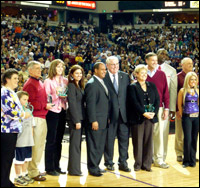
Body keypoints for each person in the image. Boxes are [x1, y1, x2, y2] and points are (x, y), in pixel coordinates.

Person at [23, 61, 54, 181]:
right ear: (30, 70)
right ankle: (33, 172)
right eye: (36, 68)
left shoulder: (37, 81)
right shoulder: (30, 83)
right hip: (36, 117)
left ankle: (34, 169)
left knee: (39, 145)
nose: (39, 70)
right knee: (36, 146)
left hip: (41, 116)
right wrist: (44, 105)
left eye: (40, 68)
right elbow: (29, 102)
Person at [1, 68, 31, 187]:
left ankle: (5, 180)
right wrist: (24, 115)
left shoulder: (12, 92)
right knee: (5, 157)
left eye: (17, 79)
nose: (17, 81)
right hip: (5, 130)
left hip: (12, 129)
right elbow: (10, 112)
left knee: (8, 157)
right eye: (14, 78)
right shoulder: (4, 92)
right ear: (7, 79)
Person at [127, 65, 160, 172]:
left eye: (145, 73)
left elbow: (157, 100)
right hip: (138, 118)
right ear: (136, 74)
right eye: (142, 73)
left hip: (150, 118)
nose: (144, 75)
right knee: (138, 142)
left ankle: (147, 165)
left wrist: (153, 113)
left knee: (148, 142)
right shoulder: (132, 87)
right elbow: (133, 103)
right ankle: (138, 164)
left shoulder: (152, 85)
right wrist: (143, 113)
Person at [103, 56, 131, 172]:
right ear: (107, 65)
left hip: (123, 115)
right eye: (113, 64)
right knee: (109, 140)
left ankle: (123, 162)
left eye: (117, 64)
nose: (115, 66)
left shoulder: (125, 76)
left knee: (124, 140)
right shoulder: (103, 77)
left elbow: (128, 96)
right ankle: (109, 162)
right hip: (109, 115)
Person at [145, 52, 170, 169]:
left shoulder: (162, 74)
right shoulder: (142, 73)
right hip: (145, 109)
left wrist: (166, 108)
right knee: (146, 134)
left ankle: (158, 159)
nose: (155, 62)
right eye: (152, 60)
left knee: (158, 135)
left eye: (156, 60)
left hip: (159, 107)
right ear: (147, 61)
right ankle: (147, 159)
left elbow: (166, 93)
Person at [44, 59, 68, 176]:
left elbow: (67, 96)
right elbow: (46, 98)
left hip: (62, 110)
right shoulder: (48, 81)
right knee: (51, 140)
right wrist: (56, 95)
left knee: (59, 140)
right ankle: (49, 167)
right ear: (53, 68)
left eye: (62, 67)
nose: (60, 69)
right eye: (58, 67)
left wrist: (65, 96)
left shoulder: (65, 80)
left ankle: (57, 165)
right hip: (52, 111)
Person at [85, 62, 109, 177]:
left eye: (105, 69)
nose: (105, 71)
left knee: (99, 145)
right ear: (95, 70)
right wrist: (93, 120)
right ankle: (93, 168)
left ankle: (96, 165)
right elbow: (90, 105)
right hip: (96, 121)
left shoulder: (100, 82)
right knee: (94, 145)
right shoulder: (92, 84)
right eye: (102, 69)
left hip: (103, 120)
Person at [157, 49, 177, 163]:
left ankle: (162, 157)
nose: (164, 56)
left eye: (166, 54)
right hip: (151, 107)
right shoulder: (147, 68)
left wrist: (172, 109)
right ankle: (151, 156)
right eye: (162, 53)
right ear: (156, 54)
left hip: (165, 107)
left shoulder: (171, 70)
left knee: (164, 133)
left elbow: (173, 91)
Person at [66, 65, 85, 176]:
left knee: (77, 144)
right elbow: (72, 104)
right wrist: (77, 120)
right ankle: (74, 170)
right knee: (74, 145)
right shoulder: (71, 86)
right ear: (72, 74)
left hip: (80, 118)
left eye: (80, 73)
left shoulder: (80, 86)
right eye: (76, 73)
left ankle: (73, 168)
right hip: (75, 119)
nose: (79, 75)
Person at [178, 72, 199, 168]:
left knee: (194, 138)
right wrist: (183, 116)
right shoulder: (182, 91)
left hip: (196, 117)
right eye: (191, 79)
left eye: (195, 79)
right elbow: (180, 105)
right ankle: (186, 160)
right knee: (187, 138)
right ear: (187, 80)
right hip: (187, 117)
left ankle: (193, 159)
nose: (193, 81)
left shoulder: (198, 91)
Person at [14, 91, 35, 186]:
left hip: (28, 140)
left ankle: (24, 174)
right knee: (19, 160)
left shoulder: (29, 111)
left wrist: (32, 138)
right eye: (24, 99)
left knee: (27, 159)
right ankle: (17, 176)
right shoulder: (17, 113)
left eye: (27, 100)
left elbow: (32, 126)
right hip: (20, 141)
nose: (26, 101)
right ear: (18, 100)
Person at [175, 57, 194, 162]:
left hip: (194, 109)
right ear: (182, 65)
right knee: (179, 132)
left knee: (192, 132)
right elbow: (175, 94)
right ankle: (179, 153)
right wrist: (177, 109)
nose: (191, 65)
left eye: (191, 63)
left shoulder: (195, 76)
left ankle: (190, 152)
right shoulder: (178, 77)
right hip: (182, 108)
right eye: (188, 63)